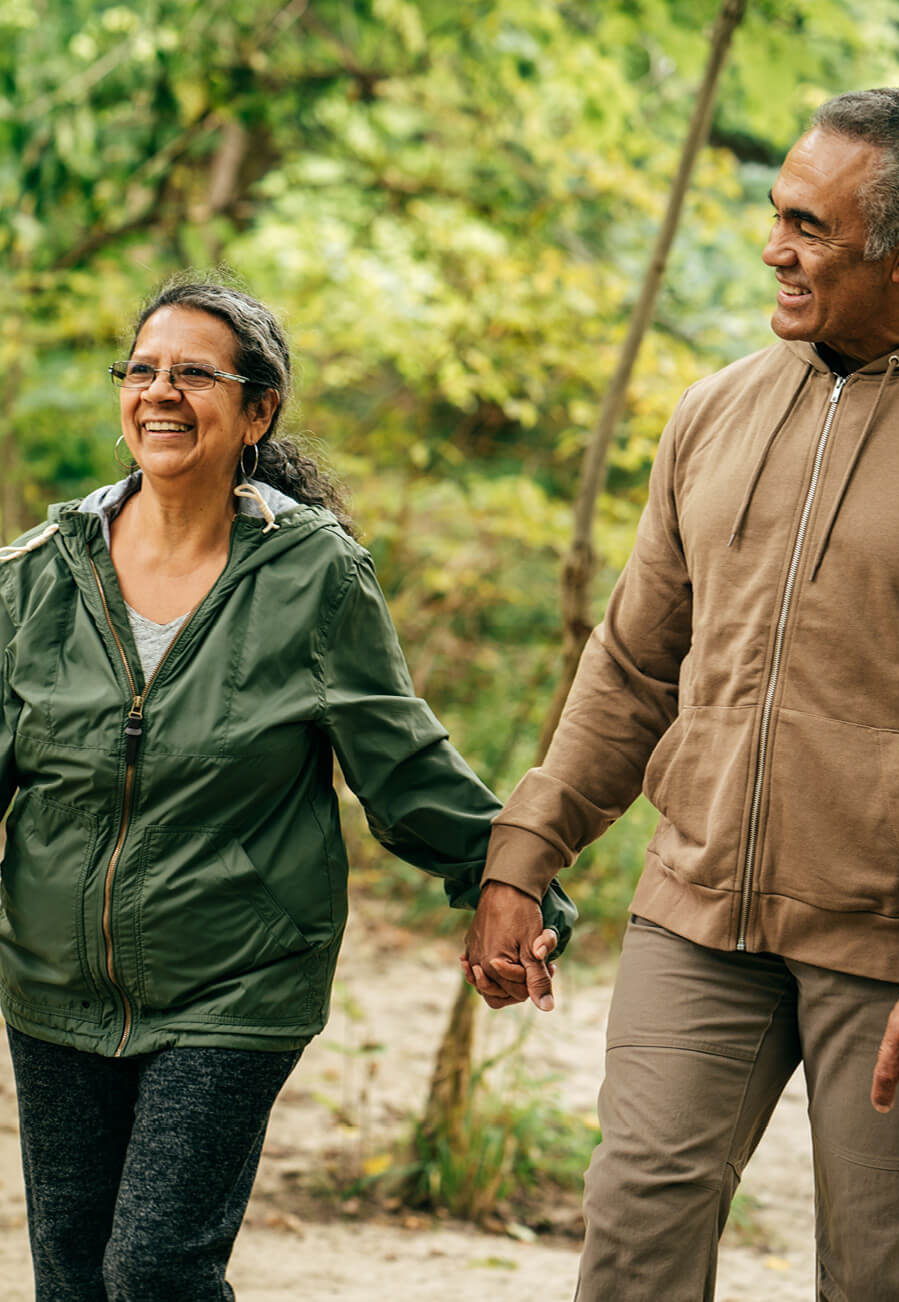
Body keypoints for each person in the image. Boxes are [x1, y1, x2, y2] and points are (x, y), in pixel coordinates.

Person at [463, 87, 899, 1299]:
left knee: (888, 1278)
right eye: (775, 212)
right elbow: (630, 666)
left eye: (809, 227)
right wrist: (526, 851)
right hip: (695, 912)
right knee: (631, 1245)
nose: (773, 246)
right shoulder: (718, 409)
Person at [0, 276, 573, 1301]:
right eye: (142, 370)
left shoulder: (312, 576)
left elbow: (401, 764)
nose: (159, 393)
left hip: (237, 977)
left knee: (155, 1272)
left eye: (194, 374)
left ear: (257, 411)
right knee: (72, 1278)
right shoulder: (38, 577)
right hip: (54, 982)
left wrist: (518, 884)